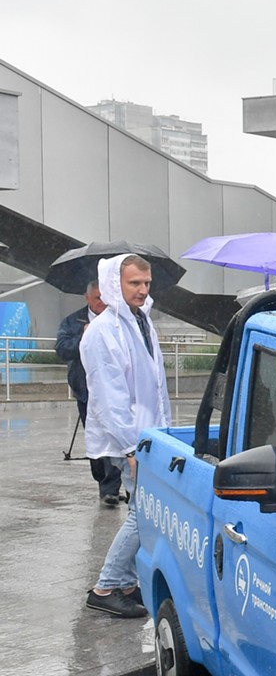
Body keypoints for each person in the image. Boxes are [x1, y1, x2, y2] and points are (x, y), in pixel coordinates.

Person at [81, 255, 172, 617]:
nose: (143, 289)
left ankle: (127, 584)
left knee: (143, 509)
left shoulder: (140, 322)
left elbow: (156, 385)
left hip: (147, 436)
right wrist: (133, 446)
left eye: (147, 283)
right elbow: (108, 397)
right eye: (135, 283)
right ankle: (105, 586)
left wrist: (160, 435)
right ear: (114, 283)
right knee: (142, 512)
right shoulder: (104, 331)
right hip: (130, 440)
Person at [55, 279, 124, 505]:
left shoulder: (118, 320)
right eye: (97, 299)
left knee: (114, 438)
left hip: (113, 389)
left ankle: (111, 489)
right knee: (95, 438)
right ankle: (102, 481)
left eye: (104, 299)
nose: (102, 304)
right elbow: (62, 350)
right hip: (85, 390)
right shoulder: (73, 321)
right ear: (87, 298)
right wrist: (84, 337)